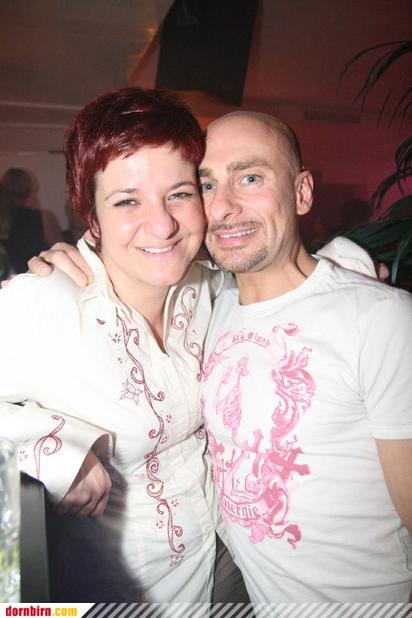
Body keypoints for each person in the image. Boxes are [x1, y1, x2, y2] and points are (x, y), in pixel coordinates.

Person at [32, 110, 412, 603]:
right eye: (206, 186)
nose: (225, 207)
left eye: (250, 178)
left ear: (302, 192)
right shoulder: (209, 299)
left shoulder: (380, 320)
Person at [0, 88, 249, 603]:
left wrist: (352, 265)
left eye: (179, 194)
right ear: (91, 216)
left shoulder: (209, 285)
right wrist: (50, 449)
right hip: (119, 595)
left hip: (228, 572)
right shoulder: (47, 301)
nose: (163, 225)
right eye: (128, 201)